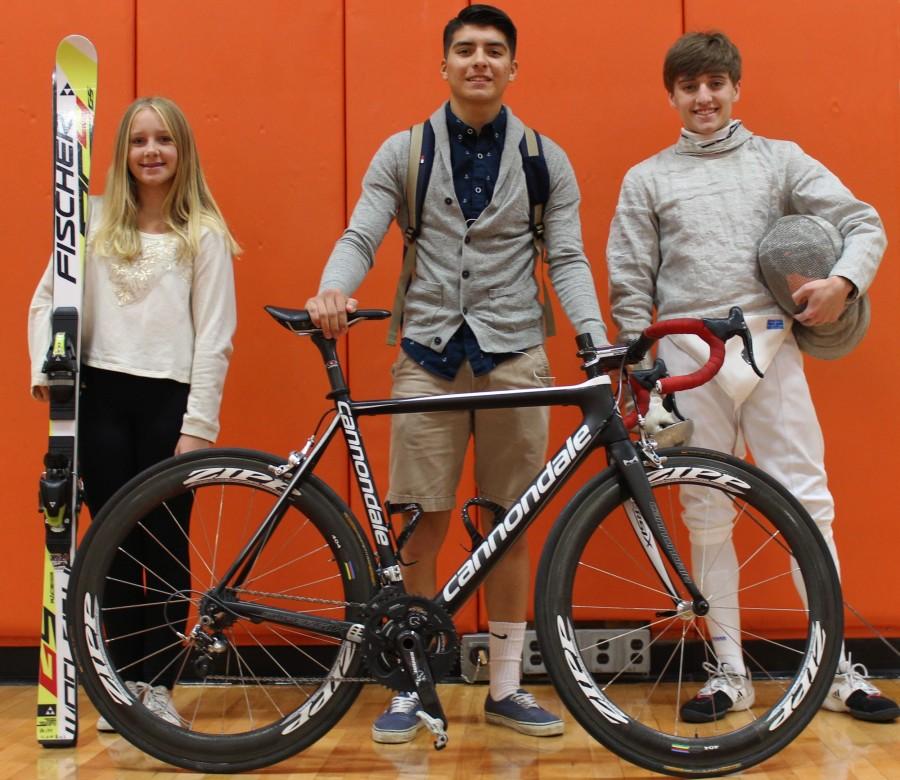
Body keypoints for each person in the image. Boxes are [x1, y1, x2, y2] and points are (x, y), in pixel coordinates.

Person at [306, 4, 607, 743]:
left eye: (494, 51)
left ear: (513, 67)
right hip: (427, 358)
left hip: (516, 358)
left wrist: (595, 337)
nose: (480, 61)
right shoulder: (403, 152)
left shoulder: (546, 160)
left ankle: (507, 686)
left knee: (510, 518)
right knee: (421, 516)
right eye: (466, 50)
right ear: (444, 65)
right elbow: (362, 232)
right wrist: (333, 288)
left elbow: (564, 256)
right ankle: (413, 683)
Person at [606, 31, 897, 723]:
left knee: (807, 502)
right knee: (706, 512)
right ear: (672, 95)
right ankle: (728, 670)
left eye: (715, 84)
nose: (703, 98)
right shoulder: (647, 178)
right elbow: (627, 282)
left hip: (767, 343)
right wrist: (636, 370)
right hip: (684, 354)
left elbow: (864, 222)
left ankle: (832, 668)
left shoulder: (781, 161)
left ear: (736, 86)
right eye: (689, 87)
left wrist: (844, 283)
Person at [28, 96, 238, 731]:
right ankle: (118, 682)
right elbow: (46, 301)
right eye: (139, 141)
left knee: (166, 544)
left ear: (183, 153)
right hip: (100, 397)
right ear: (121, 153)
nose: (152, 152)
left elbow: (216, 337)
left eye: (164, 141)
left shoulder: (203, 232)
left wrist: (198, 426)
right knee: (112, 542)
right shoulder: (90, 224)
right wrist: (49, 371)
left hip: (167, 404)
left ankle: (158, 685)